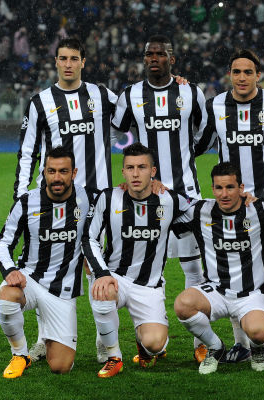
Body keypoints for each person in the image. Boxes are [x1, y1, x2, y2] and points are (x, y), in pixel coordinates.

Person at [13, 37, 118, 363]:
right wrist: (21, 196)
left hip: (97, 200)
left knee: (97, 268)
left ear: (83, 62)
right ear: (56, 61)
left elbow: (135, 111)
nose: (68, 64)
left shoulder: (102, 95)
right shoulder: (40, 102)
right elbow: (27, 152)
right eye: (63, 58)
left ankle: (105, 343)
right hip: (54, 201)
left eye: (74, 58)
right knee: (47, 270)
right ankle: (44, 339)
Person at [195, 49, 264, 365]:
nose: (241, 78)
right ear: (230, 74)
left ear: (258, 75)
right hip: (232, 207)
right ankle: (241, 344)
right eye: (236, 72)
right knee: (234, 274)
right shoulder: (216, 106)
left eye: (248, 72)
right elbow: (198, 144)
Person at [110, 34, 208, 362]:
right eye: (149, 54)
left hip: (186, 196)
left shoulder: (190, 92)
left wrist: (187, 153)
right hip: (146, 198)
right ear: (144, 59)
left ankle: (200, 343)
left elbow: (205, 131)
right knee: (147, 270)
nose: (154, 58)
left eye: (161, 54)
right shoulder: (131, 95)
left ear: (171, 59)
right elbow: (117, 132)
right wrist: (134, 164)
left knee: (195, 269)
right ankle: (148, 339)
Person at [82, 143, 197, 378]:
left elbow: (203, 211)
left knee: (155, 345)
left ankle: (143, 344)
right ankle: (114, 357)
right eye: (130, 168)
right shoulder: (108, 197)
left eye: (142, 167)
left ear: (153, 171)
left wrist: (244, 200)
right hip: (115, 277)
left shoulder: (169, 199)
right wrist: (101, 273)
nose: (135, 174)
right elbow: (88, 237)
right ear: (123, 171)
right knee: (102, 292)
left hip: (149, 286)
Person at [0, 147, 92, 378]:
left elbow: (123, 196)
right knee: (7, 295)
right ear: (44, 172)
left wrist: (152, 185)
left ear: (74, 173)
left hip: (63, 291)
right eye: (51, 171)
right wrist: (10, 271)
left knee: (61, 367)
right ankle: (20, 355)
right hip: (31, 279)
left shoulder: (88, 198)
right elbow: (3, 243)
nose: (57, 177)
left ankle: (48, 332)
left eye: (63, 171)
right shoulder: (27, 202)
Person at [172, 162, 264, 374]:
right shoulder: (200, 210)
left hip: (252, 294)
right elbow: (164, 208)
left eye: (230, 187)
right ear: (212, 189)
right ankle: (215, 347)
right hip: (216, 291)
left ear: (241, 188)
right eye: (219, 188)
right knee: (182, 305)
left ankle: (257, 348)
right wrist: (153, 188)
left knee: (258, 333)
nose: (224, 194)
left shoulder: (260, 209)